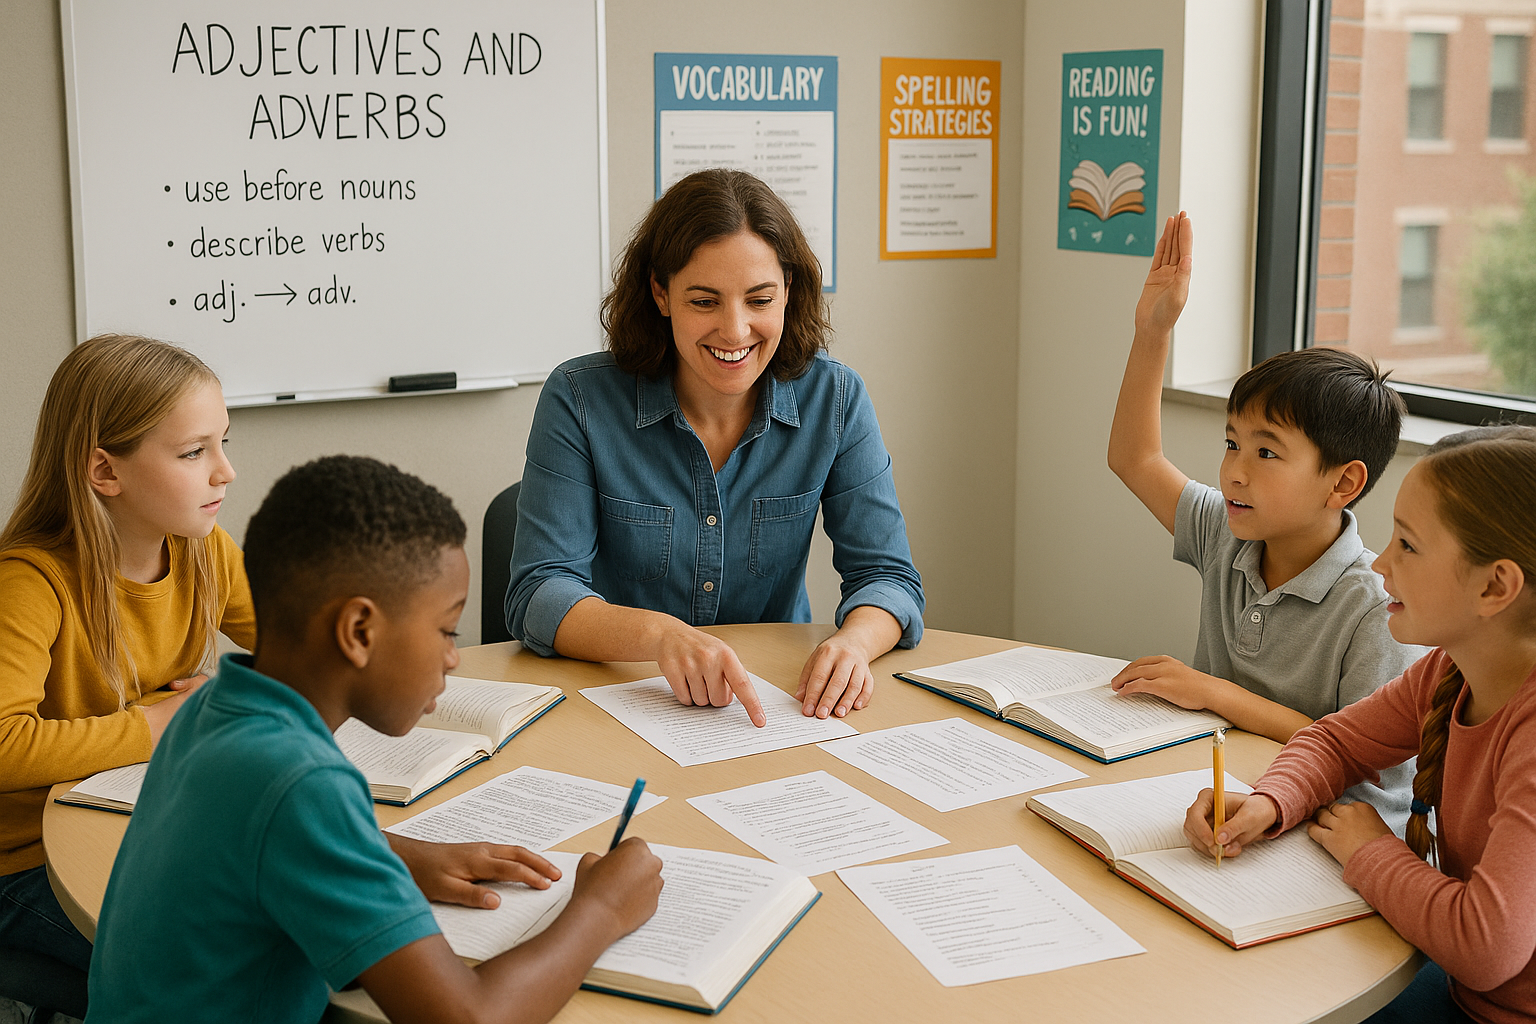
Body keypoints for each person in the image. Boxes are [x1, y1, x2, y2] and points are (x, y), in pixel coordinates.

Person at [87, 455, 664, 1024]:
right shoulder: (301, 782)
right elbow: (468, 1018)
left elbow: (248, 845)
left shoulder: (215, 707)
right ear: (359, 631)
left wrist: (389, 856)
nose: (452, 657)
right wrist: (602, 909)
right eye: (445, 629)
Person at [506, 168, 924, 726]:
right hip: (617, 698)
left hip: (772, 709)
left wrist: (854, 644)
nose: (735, 330)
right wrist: (660, 636)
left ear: (788, 293)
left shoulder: (836, 398)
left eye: (759, 300)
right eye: (704, 301)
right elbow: (538, 591)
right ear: (661, 294)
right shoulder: (579, 400)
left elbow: (888, 578)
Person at [1185, 425, 1536, 1023]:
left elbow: (1485, 948)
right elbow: (1333, 740)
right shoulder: (1446, 670)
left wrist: (1369, 850)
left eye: (1409, 545)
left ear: (1495, 585)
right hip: (1466, 994)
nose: (1382, 562)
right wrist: (1269, 802)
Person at [1105, 212, 1424, 832]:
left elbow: (1367, 759)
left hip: (1334, 834)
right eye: (1231, 444)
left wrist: (1216, 693)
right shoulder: (1227, 531)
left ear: (1344, 483)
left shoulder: (1377, 607)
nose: (1234, 473)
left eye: (1266, 452)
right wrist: (1153, 331)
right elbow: (1133, 457)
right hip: (1225, 796)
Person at [0, 335, 254, 1012]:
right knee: (209, 974)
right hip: (24, 862)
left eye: (223, 442)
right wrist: (161, 725)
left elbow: (296, 657)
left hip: (146, 820)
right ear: (105, 472)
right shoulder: (30, 583)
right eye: (194, 452)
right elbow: (4, 743)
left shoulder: (206, 550)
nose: (225, 472)